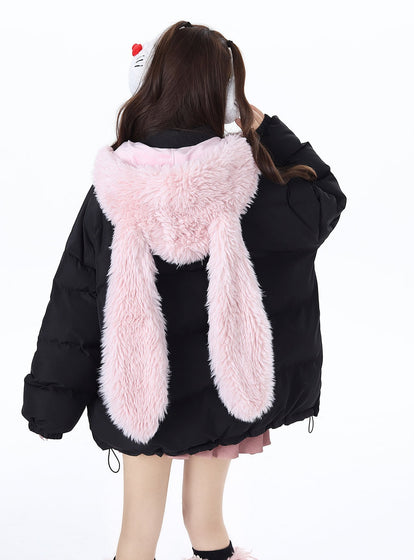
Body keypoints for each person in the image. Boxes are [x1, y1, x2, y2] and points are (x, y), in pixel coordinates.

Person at [21, 20, 347, 560]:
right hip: (221, 394)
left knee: (137, 535)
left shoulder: (112, 190)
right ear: (224, 93)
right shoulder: (251, 186)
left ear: (149, 84)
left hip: (139, 397)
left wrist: (50, 403)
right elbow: (326, 199)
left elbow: (75, 299)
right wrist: (257, 119)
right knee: (206, 521)